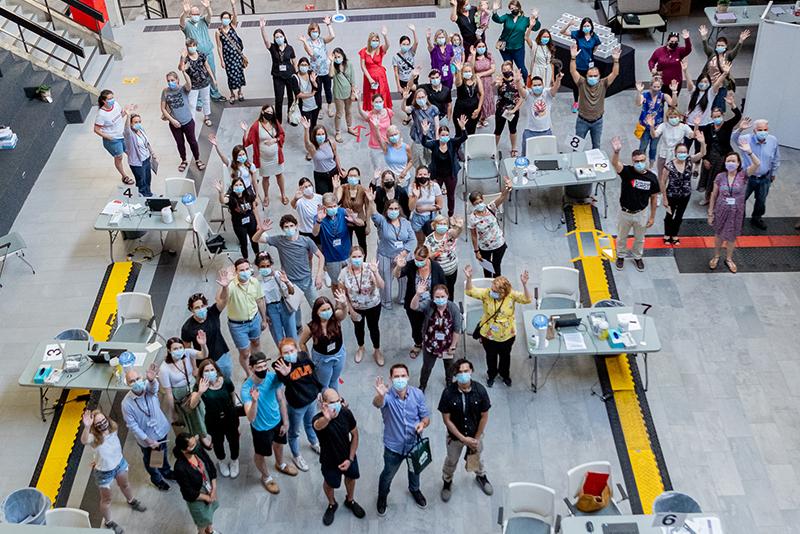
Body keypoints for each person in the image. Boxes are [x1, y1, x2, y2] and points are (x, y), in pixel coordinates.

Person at [373, 364, 431, 515]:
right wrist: (380, 395)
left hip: (414, 444)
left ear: (408, 377)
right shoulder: (387, 396)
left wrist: (422, 424)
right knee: (387, 474)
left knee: (415, 470)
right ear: (391, 378)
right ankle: (382, 496)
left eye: (403, 376)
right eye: (396, 376)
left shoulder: (417, 394)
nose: (400, 379)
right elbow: (377, 403)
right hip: (394, 447)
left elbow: (425, 417)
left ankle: (415, 489)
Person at [80, 409, 146, 534]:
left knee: (125, 485)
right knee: (106, 500)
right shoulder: (94, 438)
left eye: (103, 420)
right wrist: (87, 427)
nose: (103, 424)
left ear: (107, 419)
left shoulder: (113, 428)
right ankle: (109, 522)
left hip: (119, 464)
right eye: (98, 423)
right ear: (94, 427)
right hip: (104, 473)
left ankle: (132, 501)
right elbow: (84, 441)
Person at [464, 265, 531, 387]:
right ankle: (491, 375)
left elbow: (527, 299)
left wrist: (525, 285)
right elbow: (470, 291)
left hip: (507, 335)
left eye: (495, 291)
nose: (492, 292)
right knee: (491, 357)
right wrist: (469, 278)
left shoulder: (511, 295)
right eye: (492, 289)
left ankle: (505, 375)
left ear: (503, 292)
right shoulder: (486, 294)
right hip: (488, 334)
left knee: (505, 357)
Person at [253, 214, 326, 325]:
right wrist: (262, 230)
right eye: (286, 227)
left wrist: (319, 274)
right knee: (295, 310)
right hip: (291, 283)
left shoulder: (306, 241)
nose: (289, 228)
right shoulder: (279, 240)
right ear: (282, 229)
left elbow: (321, 256)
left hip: (307, 281)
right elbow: (255, 239)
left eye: (291, 225)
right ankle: (298, 328)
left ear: (296, 226)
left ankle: (322, 326)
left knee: (318, 307)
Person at [241, 352, 297, 494]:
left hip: (277, 421)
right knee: (260, 454)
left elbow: (281, 399)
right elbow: (250, 418)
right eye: (259, 367)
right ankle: (266, 477)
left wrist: (285, 421)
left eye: (265, 366)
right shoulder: (247, 388)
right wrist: (254, 401)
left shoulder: (272, 378)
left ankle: (280, 464)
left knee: (279, 444)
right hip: (261, 428)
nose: (263, 370)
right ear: (251, 368)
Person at [437, 358, 493, 501]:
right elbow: (447, 420)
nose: (463, 374)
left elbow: (484, 416)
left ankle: (480, 476)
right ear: (455, 375)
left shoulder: (480, 391)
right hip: (455, 438)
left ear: (471, 371)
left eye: (466, 371)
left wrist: (476, 438)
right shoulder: (448, 393)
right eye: (460, 372)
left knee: (476, 457)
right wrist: (463, 438)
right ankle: (447, 481)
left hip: (475, 435)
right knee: (451, 460)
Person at [313, 388, 366, 525]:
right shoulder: (318, 419)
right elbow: (318, 426)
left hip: (348, 456)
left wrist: (350, 459)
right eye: (332, 402)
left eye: (338, 400)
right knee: (329, 484)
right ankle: (332, 504)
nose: (337, 404)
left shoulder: (346, 413)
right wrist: (327, 418)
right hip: (329, 460)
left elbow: (355, 435)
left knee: (351, 478)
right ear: (324, 404)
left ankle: (350, 500)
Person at [610, 136, 661, 272]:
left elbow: (654, 198)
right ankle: (621, 256)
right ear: (632, 162)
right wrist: (616, 152)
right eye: (636, 161)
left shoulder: (652, 178)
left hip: (641, 213)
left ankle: (637, 256)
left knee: (640, 238)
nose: (639, 163)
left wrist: (652, 217)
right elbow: (615, 164)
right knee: (621, 237)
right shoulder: (627, 172)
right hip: (625, 212)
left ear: (646, 160)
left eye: (642, 160)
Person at [708, 145, 761, 273]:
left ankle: (729, 258)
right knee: (719, 234)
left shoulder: (743, 175)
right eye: (728, 161)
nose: (731, 163)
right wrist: (710, 212)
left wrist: (749, 152)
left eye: (733, 161)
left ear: (738, 163)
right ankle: (716, 256)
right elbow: (714, 194)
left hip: (736, 211)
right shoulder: (720, 176)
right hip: (721, 210)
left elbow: (757, 164)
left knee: (732, 236)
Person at [121, 365, 174, 491]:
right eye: (132, 381)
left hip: (160, 430)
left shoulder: (148, 388)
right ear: (127, 384)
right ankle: (157, 479)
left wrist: (151, 380)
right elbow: (133, 426)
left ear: (142, 378)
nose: (136, 383)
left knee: (162, 451)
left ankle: (166, 471)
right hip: (147, 438)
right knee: (152, 460)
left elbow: (154, 388)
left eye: (137, 379)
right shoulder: (126, 404)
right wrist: (148, 440)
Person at [273, 338, 322, 473]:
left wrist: (318, 390)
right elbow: (285, 383)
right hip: (297, 405)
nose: (290, 354)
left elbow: (313, 374)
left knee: (310, 423)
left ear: (296, 349)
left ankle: (314, 442)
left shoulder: (304, 357)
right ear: (281, 354)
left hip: (311, 399)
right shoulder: (280, 366)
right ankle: (296, 455)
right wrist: (287, 375)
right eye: (286, 352)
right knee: (294, 432)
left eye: (292, 350)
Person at [189, 359, 239, 478]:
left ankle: (234, 460)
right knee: (217, 442)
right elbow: (192, 405)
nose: (210, 372)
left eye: (212, 369)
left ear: (217, 370)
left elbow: (232, 396)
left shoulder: (226, 381)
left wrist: (235, 410)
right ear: (202, 374)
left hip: (230, 416)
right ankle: (221, 461)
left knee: (234, 440)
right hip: (213, 419)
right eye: (206, 371)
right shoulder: (199, 386)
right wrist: (200, 392)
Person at [394, 244, 446, 360]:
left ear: (427, 257)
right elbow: (397, 275)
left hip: (431, 304)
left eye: (421, 260)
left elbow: (443, 285)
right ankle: (418, 344)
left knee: (433, 325)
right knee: (416, 326)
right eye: (416, 259)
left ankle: (433, 344)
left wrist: (442, 304)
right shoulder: (412, 265)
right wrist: (398, 267)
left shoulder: (436, 267)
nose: (418, 262)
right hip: (413, 303)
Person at [338, 246, 385, 366]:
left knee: (374, 328)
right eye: (354, 257)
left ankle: (377, 350)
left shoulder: (370, 268)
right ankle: (361, 347)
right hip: (356, 307)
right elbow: (343, 294)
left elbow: (381, 285)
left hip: (373, 305)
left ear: (363, 256)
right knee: (359, 328)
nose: (357, 259)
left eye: (359, 256)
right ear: (349, 258)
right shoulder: (344, 273)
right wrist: (351, 310)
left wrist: (376, 272)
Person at [731, 118, 781, 230]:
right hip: (747, 177)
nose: (763, 132)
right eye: (760, 130)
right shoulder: (746, 139)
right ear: (754, 131)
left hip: (765, 177)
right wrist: (740, 129)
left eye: (765, 129)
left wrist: (773, 172)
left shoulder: (773, 140)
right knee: (741, 199)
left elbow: (776, 158)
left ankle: (757, 218)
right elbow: (733, 138)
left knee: (761, 200)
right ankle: (739, 218)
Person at [569, 43, 620, 150]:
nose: (593, 77)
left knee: (596, 147)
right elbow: (573, 71)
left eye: (595, 76)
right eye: (590, 76)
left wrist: (616, 60)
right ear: (586, 76)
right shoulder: (581, 83)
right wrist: (573, 58)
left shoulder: (603, 83)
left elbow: (614, 73)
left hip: (598, 122)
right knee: (576, 147)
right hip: (582, 121)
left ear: (599, 76)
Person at [412, 284, 462, 391]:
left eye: (443, 296)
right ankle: (423, 385)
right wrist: (417, 294)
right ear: (433, 297)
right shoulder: (429, 305)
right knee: (427, 367)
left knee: (449, 366)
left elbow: (457, 329)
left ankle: (449, 382)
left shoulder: (453, 308)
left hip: (447, 345)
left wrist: (453, 346)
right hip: (430, 344)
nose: (440, 299)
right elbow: (414, 307)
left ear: (447, 296)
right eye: (437, 297)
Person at [159, 337, 208, 444]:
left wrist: (203, 345)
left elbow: (203, 355)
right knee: (189, 418)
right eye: (175, 349)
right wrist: (172, 412)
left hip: (193, 388)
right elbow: (168, 393)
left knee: (199, 413)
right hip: (181, 396)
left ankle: (203, 434)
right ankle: (195, 435)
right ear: (169, 350)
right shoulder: (164, 369)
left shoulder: (187, 353)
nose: (179, 350)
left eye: (180, 347)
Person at [221, 259, 267, 371]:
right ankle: (249, 374)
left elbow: (260, 300)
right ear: (236, 271)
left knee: (256, 343)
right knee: (245, 352)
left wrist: (264, 319)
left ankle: (258, 367)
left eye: (247, 269)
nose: (245, 272)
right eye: (241, 270)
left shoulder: (254, 282)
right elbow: (221, 298)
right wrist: (225, 286)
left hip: (254, 319)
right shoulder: (231, 285)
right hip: (237, 325)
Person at [371, 199, 417, 309]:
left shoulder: (405, 222)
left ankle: (402, 298)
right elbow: (374, 214)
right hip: (385, 256)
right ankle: (386, 301)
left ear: (399, 209)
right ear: (386, 210)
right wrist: (371, 201)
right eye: (391, 209)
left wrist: (403, 253)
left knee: (403, 279)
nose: (393, 211)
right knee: (386, 280)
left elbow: (412, 239)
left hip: (403, 256)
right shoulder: (382, 221)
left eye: (396, 208)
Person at [660, 136, 706, 245]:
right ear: (675, 153)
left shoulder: (689, 161)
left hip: (685, 195)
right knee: (669, 215)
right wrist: (664, 198)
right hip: (671, 195)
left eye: (684, 152)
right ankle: (667, 234)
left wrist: (702, 142)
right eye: (680, 152)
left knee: (679, 216)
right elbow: (663, 182)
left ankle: (674, 234)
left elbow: (702, 153)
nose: (682, 154)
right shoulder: (669, 166)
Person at [698, 93, 741, 205]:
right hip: (710, 156)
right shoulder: (708, 128)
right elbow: (703, 143)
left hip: (722, 157)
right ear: (711, 117)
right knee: (708, 178)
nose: (717, 118)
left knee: (719, 179)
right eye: (715, 117)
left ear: (722, 115)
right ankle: (707, 197)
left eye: (719, 116)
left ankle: (717, 198)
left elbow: (738, 116)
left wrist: (732, 104)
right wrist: (705, 158)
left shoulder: (727, 125)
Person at [421, 116, 468, 218]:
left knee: (451, 196)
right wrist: (424, 133)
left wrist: (463, 128)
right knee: (435, 195)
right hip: (437, 175)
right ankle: (436, 213)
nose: (445, 137)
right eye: (442, 135)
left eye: (447, 135)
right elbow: (424, 143)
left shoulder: (452, 143)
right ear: (439, 135)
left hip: (450, 175)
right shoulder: (434, 144)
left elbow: (464, 138)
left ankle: (450, 215)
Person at [242, 104, 288, 206]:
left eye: (271, 112)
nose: (270, 114)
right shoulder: (256, 126)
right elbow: (247, 142)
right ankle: (266, 196)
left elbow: (282, 135)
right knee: (265, 178)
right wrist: (245, 132)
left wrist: (275, 140)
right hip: (263, 158)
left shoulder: (274, 122)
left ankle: (283, 194)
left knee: (279, 175)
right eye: (268, 112)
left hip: (276, 157)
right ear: (262, 112)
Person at [173, 432, 219, 534]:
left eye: (195, 442)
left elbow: (210, 465)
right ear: (184, 450)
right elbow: (188, 492)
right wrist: (206, 497)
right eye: (192, 445)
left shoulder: (198, 450)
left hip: (207, 488)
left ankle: (210, 531)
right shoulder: (180, 468)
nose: (196, 446)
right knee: (202, 522)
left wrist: (214, 488)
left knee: (209, 515)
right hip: (196, 497)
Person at [300, 294, 349, 390]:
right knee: (324, 383)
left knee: (334, 379)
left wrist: (344, 305)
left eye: (328, 309)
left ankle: (334, 395)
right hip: (322, 359)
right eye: (323, 310)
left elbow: (343, 313)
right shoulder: (311, 327)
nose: (327, 312)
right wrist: (308, 359)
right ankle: (325, 396)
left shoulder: (335, 318)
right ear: (317, 312)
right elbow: (302, 343)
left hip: (339, 355)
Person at [182, 288, 233, 381]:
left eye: (202, 306)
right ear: (191, 310)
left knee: (226, 380)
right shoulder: (187, 328)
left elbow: (224, 300)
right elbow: (188, 351)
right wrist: (194, 368)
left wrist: (225, 287)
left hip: (221, 356)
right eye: (197, 308)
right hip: (203, 362)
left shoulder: (212, 312)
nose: (201, 309)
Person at [179, 0, 225, 103]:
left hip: (208, 52)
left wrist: (208, 7)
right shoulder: (187, 25)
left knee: (212, 72)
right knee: (197, 76)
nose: (196, 16)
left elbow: (210, 15)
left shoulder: (203, 21)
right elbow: (181, 21)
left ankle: (215, 94)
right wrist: (184, 12)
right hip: (195, 56)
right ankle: (199, 99)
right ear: (190, 15)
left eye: (197, 14)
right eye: (193, 14)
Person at [314, 192, 362, 286]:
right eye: (329, 207)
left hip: (347, 255)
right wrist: (319, 220)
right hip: (332, 258)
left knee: (351, 280)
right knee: (336, 283)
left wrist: (354, 220)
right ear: (324, 207)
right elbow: (315, 233)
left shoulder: (342, 212)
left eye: (334, 206)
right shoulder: (319, 217)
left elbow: (361, 223)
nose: (333, 208)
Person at [468, 178, 513, 277]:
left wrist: (507, 187)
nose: (479, 204)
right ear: (473, 204)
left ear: (483, 200)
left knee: (497, 266)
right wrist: (476, 251)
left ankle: (497, 284)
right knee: (487, 269)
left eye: (480, 202)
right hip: (484, 247)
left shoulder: (491, 207)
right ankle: (488, 284)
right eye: (476, 203)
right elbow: (474, 235)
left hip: (498, 244)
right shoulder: (472, 218)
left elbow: (502, 197)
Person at [698, 26, 750, 110]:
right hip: (708, 85)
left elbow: (735, 51)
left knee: (718, 107)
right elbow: (705, 47)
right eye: (718, 45)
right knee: (706, 105)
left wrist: (740, 41)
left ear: (726, 46)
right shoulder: (711, 53)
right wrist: (704, 37)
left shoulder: (728, 56)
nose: (720, 47)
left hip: (721, 86)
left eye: (722, 45)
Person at [161, 71, 202, 172]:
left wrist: (183, 71)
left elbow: (189, 84)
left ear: (177, 80)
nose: (170, 82)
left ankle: (197, 159)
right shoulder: (165, 91)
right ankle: (183, 160)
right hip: (175, 124)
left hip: (188, 121)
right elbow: (163, 108)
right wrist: (172, 120)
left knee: (192, 141)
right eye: (168, 81)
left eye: (172, 80)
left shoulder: (183, 89)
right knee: (180, 143)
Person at [255, 251, 298, 345]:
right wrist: (264, 316)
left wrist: (286, 282)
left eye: (268, 266)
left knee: (292, 336)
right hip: (271, 309)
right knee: (279, 339)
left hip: (284, 305)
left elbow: (292, 291)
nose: (265, 268)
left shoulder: (278, 275)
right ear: (258, 267)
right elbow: (259, 300)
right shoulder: (257, 281)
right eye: (262, 266)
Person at [490, 0, 539, 81]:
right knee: (508, 68)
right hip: (505, 48)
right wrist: (494, 11)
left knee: (521, 67)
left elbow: (536, 27)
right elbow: (498, 20)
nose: (514, 10)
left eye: (515, 8)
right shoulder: (507, 17)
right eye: (512, 8)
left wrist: (536, 17)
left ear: (519, 7)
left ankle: (527, 84)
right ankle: (510, 84)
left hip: (518, 48)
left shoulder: (525, 20)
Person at [215, 174, 260, 261]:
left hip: (251, 221)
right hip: (239, 225)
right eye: (236, 185)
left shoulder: (249, 195)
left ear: (243, 186)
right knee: (243, 243)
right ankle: (246, 260)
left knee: (254, 240)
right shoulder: (231, 198)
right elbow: (223, 201)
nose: (238, 187)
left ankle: (258, 257)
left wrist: (258, 223)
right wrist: (220, 192)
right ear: (233, 187)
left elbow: (254, 209)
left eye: (240, 185)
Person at [561, 16, 601, 112]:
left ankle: (587, 102)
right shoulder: (578, 34)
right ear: (582, 27)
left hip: (589, 66)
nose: (586, 28)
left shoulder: (595, 37)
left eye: (588, 26)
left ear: (591, 26)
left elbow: (595, 48)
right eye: (584, 26)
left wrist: (589, 55)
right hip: (578, 64)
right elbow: (562, 32)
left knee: (589, 84)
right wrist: (569, 24)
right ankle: (576, 102)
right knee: (577, 84)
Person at [635, 77, 676, 169]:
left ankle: (651, 165)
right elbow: (638, 103)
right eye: (654, 87)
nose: (656, 89)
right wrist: (639, 92)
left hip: (657, 127)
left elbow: (673, 104)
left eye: (658, 87)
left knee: (653, 147)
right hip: (645, 126)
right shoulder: (645, 95)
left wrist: (674, 92)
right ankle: (640, 163)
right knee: (643, 146)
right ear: (650, 86)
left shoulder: (663, 96)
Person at [260, 21, 297, 124]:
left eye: (280, 36)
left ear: (284, 37)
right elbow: (266, 40)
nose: (279, 38)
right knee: (279, 99)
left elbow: (294, 62)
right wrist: (262, 28)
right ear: (274, 39)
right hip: (278, 77)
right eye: (277, 37)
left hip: (289, 76)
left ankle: (290, 116)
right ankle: (278, 120)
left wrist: (296, 74)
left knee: (291, 98)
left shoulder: (290, 48)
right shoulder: (273, 48)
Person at [299, 16, 336, 118]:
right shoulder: (307, 42)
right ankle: (319, 109)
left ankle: (330, 106)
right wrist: (304, 41)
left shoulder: (322, 40)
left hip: (325, 70)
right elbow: (311, 53)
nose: (314, 33)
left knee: (328, 89)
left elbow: (332, 36)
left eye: (316, 31)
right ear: (309, 32)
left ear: (319, 31)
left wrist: (328, 24)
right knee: (317, 91)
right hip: (315, 72)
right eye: (312, 31)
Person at [519, 72, 563, 157]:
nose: (537, 87)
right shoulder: (528, 94)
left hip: (546, 131)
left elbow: (554, 89)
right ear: (531, 87)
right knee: (525, 156)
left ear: (543, 85)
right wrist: (517, 82)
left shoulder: (547, 93)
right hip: (530, 131)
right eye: (535, 85)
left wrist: (558, 80)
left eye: (539, 85)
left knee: (547, 156)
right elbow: (521, 91)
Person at [93, 89, 132, 184]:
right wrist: (108, 137)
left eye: (112, 98)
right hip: (113, 140)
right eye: (109, 99)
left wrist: (126, 111)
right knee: (119, 157)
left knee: (130, 152)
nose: (112, 100)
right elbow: (96, 129)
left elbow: (119, 116)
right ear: (104, 101)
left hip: (122, 135)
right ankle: (124, 176)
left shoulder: (116, 105)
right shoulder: (101, 115)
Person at [648, 108, 697, 179]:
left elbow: (692, 135)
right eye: (671, 117)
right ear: (668, 118)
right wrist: (651, 126)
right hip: (664, 153)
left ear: (679, 117)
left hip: (676, 155)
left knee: (675, 176)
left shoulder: (684, 127)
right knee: (661, 174)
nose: (673, 119)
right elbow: (654, 135)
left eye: (675, 117)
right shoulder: (663, 126)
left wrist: (696, 126)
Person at [423, 215, 463, 298]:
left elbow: (457, 233)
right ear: (434, 225)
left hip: (452, 270)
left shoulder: (449, 234)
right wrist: (437, 252)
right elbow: (428, 257)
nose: (442, 226)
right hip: (438, 272)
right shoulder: (429, 239)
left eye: (444, 224)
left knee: (450, 290)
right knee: (439, 291)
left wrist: (459, 227)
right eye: (440, 224)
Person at [301, 118, 344, 195]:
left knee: (336, 193)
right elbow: (307, 143)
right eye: (318, 134)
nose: (321, 136)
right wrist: (306, 129)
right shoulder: (313, 148)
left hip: (333, 171)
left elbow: (336, 155)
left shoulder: (331, 142)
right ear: (314, 136)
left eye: (323, 134)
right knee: (324, 196)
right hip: (320, 175)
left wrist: (340, 169)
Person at [179, 39, 216, 129]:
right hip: (193, 85)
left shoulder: (201, 55)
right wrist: (182, 58)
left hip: (204, 82)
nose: (192, 48)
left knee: (206, 99)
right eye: (190, 46)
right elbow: (181, 68)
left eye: (193, 45)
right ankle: (192, 121)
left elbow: (207, 67)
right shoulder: (185, 58)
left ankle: (207, 116)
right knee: (192, 104)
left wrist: (213, 79)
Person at [336, 167, 372, 252]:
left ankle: (362, 258)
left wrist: (368, 224)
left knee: (362, 243)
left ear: (359, 177)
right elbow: (336, 200)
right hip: (346, 220)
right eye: (350, 176)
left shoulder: (363, 190)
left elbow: (367, 207)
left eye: (355, 176)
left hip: (360, 220)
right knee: (346, 243)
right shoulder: (342, 188)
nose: (353, 178)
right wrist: (336, 188)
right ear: (347, 177)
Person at [215, 4, 246, 103]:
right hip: (227, 57)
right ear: (221, 19)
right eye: (224, 18)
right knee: (230, 76)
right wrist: (222, 60)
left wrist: (233, 5)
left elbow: (236, 16)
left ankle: (240, 92)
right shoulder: (218, 32)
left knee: (239, 73)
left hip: (237, 56)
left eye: (227, 18)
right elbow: (219, 47)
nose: (225, 20)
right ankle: (232, 93)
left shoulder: (233, 26)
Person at [647, 30, 692, 97]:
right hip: (661, 82)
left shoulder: (680, 51)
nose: (674, 43)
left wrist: (687, 39)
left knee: (673, 101)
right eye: (672, 41)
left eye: (676, 42)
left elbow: (688, 49)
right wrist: (652, 68)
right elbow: (651, 61)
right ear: (668, 41)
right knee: (659, 100)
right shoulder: (659, 51)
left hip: (675, 83)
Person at [359, 93, 394, 176]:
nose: (379, 104)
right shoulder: (370, 115)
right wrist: (358, 100)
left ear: (383, 102)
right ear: (372, 103)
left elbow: (391, 126)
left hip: (388, 145)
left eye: (380, 101)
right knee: (377, 169)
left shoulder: (388, 112)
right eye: (376, 102)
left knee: (388, 168)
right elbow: (361, 112)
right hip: (375, 146)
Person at [493, 62, 524, 156]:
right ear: (502, 71)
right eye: (504, 70)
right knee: (498, 130)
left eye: (508, 69)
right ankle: (493, 148)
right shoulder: (500, 81)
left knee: (513, 129)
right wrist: (495, 82)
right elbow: (493, 86)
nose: (506, 71)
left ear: (512, 70)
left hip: (513, 110)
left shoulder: (517, 82)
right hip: (501, 110)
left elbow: (522, 97)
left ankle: (514, 148)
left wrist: (514, 110)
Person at [122, 112, 156, 197]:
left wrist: (152, 153)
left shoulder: (141, 130)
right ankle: (142, 196)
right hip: (137, 163)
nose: (138, 124)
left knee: (147, 179)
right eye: (135, 122)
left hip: (146, 159)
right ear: (130, 123)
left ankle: (148, 194)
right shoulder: (129, 134)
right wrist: (128, 115)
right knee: (141, 181)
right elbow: (126, 129)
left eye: (139, 122)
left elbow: (146, 143)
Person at [359, 27, 392, 112]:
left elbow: (388, 45)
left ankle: (383, 111)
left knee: (381, 93)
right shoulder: (363, 51)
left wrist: (385, 36)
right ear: (369, 41)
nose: (375, 42)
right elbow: (363, 66)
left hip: (381, 77)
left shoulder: (380, 49)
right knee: (370, 94)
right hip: (369, 78)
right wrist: (370, 79)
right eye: (373, 40)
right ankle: (371, 111)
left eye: (377, 40)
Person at [408, 166, 444, 243]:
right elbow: (411, 208)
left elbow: (440, 205)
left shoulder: (435, 186)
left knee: (431, 241)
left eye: (425, 174)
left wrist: (425, 208)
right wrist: (416, 196)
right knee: (420, 241)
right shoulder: (412, 187)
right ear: (416, 176)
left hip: (431, 216)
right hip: (417, 218)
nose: (422, 176)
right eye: (420, 174)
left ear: (428, 175)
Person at [405, 88, 440, 167]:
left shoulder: (433, 109)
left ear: (426, 97)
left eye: (422, 97)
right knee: (419, 161)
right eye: (419, 98)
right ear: (415, 99)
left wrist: (437, 140)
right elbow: (405, 109)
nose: (421, 99)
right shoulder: (414, 109)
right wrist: (404, 100)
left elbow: (437, 126)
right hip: (418, 138)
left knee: (431, 161)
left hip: (430, 138)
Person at [293, 56, 320, 151]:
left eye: (305, 65)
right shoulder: (295, 77)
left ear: (308, 66)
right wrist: (311, 94)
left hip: (315, 105)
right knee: (307, 127)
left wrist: (313, 82)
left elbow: (317, 88)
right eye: (302, 65)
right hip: (304, 107)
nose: (303, 67)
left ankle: (315, 144)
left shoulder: (311, 74)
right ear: (298, 66)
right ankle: (310, 148)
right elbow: (298, 94)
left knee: (314, 125)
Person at [331, 47, 357, 142]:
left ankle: (349, 127)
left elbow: (353, 79)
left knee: (348, 111)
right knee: (339, 113)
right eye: (335, 57)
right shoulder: (333, 66)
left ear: (343, 56)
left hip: (348, 92)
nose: (337, 58)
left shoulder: (349, 64)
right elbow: (330, 75)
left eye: (339, 56)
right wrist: (331, 62)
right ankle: (338, 132)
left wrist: (353, 92)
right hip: (338, 93)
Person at [453, 61, 483, 137]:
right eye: (465, 71)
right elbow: (457, 83)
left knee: (471, 132)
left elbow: (482, 94)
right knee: (460, 133)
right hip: (461, 111)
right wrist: (458, 71)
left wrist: (478, 109)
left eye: (469, 71)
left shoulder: (476, 79)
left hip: (474, 111)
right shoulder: (460, 79)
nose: (467, 73)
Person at [291, 177, 324, 244]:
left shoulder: (320, 197)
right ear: (301, 188)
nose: (308, 188)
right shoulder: (300, 201)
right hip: (306, 232)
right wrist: (295, 198)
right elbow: (293, 205)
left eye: (309, 185)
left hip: (319, 230)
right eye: (305, 187)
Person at [471, 40, 496, 127]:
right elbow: (471, 68)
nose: (481, 48)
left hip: (488, 81)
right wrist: (473, 55)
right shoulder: (472, 57)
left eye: (483, 46)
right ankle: (478, 117)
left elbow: (493, 69)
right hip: (477, 81)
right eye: (479, 47)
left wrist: (481, 74)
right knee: (478, 98)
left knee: (486, 98)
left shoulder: (489, 56)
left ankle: (483, 118)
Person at [382, 126, 414, 191]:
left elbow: (411, 161)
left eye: (395, 134)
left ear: (399, 134)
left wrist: (405, 171)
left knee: (404, 194)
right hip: (390, 179)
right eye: (391, 135)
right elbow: (379, 139)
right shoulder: (386, 147)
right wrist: (376, 128)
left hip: (403, 178)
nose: (394, 137)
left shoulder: (406, 147)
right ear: (388, 137)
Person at [392, 25, 419, 95]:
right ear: (400, 44)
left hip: (412, 79)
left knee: (415, 96)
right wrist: (398, 86)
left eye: (407, 44)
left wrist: (413, 31)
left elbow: (416, 42)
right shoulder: (395, 57)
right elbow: (396, 73)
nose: (405, 46)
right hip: (403, 81)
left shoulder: (411, 52)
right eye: (404, 44)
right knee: (406, 98)